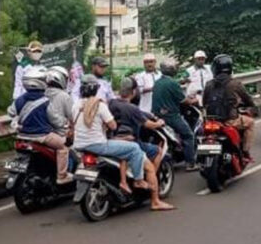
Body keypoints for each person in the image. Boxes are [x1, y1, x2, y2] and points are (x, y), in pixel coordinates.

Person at [73, 75, 175, 211]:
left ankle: (125, 182)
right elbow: (113, 126)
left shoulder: (77, 105)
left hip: (79, 145)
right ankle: (144, 188)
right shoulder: (101, 105)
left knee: (124, 150)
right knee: (134, 148)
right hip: (99, 145)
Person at [8, 67, 73, 184]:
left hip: (22, 136)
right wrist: (63, 127)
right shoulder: (45, 101)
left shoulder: (19, 99)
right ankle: (62, 176)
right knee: (63, 147)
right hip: (42, 136)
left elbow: (11, 112)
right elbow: (55, 120)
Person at [203, 54, 257, 162]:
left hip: (211, 120)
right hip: (230, 120)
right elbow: (247, 99)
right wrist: (252, 107)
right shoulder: (235, 83)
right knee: (250, 123)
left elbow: (204, 102)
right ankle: (245, 152)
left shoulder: (209, 84)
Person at [109, 77, 167, 175]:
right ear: (134, 92)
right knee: (158, 151)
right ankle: (151, 177)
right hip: (132, 142)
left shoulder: (111, 103)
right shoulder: (132, 108)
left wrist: (149, 115)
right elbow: (149, 125)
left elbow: (139, 114)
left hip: (113, 140)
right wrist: (159, 123)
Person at [152, 61, 198, 171]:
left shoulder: (158, 82)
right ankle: (190, 163)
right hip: (171, 116)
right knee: (188, 135)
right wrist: (194, 100)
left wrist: (181, 81)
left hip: (157, 115)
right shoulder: (172, 84)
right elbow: (184, 101)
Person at [45, 66, 75, 146]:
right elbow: (73, 117)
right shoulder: (64, 96)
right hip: (60, 134)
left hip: (44, 133)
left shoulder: (42, 94)